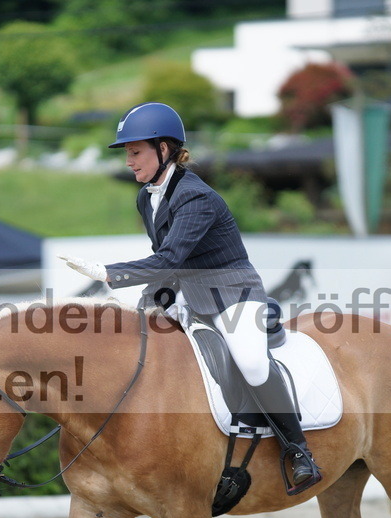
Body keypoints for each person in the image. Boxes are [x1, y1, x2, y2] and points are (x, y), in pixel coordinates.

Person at [59, 102, 321, 494]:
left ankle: (299, 452)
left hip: (235, 297)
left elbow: (169, 257)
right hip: (191, 297)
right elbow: (170, 268)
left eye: (136, 152)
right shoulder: (147, 198)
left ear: (164, 149)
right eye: (128, 154)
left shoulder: (196, 197)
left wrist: (111, 274)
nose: (129, 162)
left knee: (250, 361)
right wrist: (147, 302)